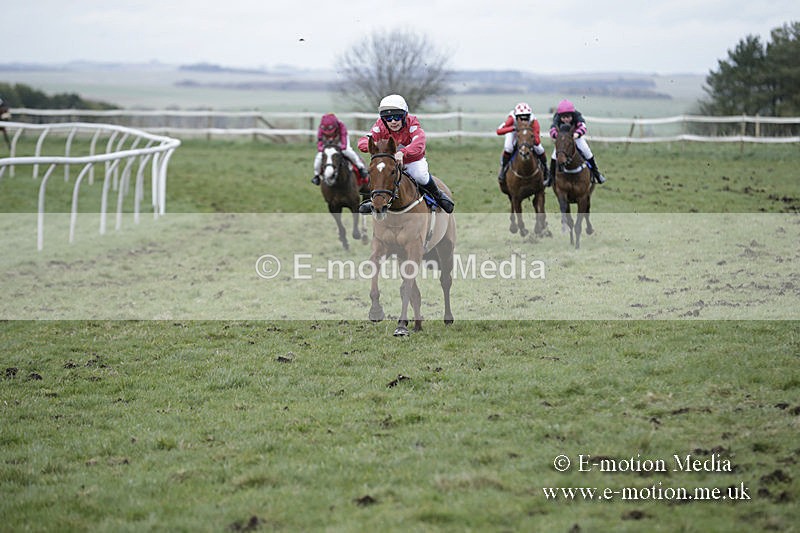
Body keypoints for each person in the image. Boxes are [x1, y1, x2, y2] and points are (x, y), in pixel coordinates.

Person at [357, 94, 454, 213]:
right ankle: (375, 202)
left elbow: (419, 142)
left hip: (412, 161)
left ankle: (438, 195)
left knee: (420, 176)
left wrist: (403, 153)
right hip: (390, 162)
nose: (393, 121)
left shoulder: (412, 123)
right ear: (383, 119)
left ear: (404, 116)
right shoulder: (379, 126)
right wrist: (373, 146)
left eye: (397, 117)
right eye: (388, 118)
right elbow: (363, 141)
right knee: (379, 174)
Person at [544, 99, 607, 186]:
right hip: (563, 140)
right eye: (563, 117)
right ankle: (550, 178)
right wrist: (558, 136)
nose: (566, 119)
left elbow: (583, 127)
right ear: (560, 116)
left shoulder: (577, 115)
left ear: (572, 115)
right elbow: (552, 130)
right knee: (554, 156)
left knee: (587, 151)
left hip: (576, 138)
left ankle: (596, 174)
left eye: (568, 117)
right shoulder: (556, 117)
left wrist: (577, 134)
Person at [495, 102, 548, 182]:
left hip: (528, 132)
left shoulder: (533, 120)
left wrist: (531, 139)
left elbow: (537, 140)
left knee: (540, 149)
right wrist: (513, 128)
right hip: (513, 131)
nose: (524, 121)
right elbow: (499, 131)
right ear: (516, 117)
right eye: (521, 118)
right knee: (509, 148)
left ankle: (546, 168)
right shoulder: (511, 118)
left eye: (526, 118)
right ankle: (503, 168)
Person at [312, 112, 369, 185]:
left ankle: (361, 168)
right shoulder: (321, 127)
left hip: (340, 142)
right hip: (327, 145)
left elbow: (344, 140)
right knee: (319, 157)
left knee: (348, 152)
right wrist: (321, 149)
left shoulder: (341, 126)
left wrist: (341, 147)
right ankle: (316, 176)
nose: (328, 133)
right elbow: (319, 142)